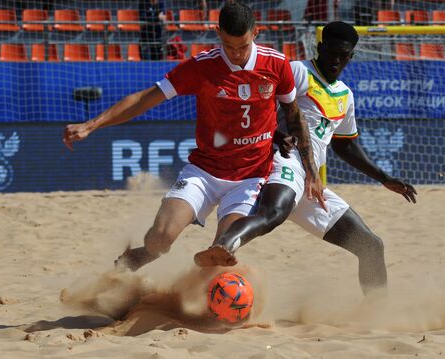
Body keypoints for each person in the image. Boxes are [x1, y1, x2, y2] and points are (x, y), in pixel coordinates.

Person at [63, 1, 324, 272]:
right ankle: (138, 257)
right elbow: (144, 99)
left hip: (250, 176)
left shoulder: (277, 63)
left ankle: (199, 297)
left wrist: (311, 171)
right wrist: (91, 125)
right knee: (159, 239)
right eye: (229, 46)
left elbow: (295, 117)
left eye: (243, 46)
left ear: (255, 33)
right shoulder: (202, 67)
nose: (236, 54)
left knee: (222, 250)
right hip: (204, 171)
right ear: (218, 33)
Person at [194, 21, 417, 295]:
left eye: (343, 55)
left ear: (351, 57)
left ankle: (378, 313)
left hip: (311, 183)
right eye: (331, 52)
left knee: (371, 246)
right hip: (282, 159)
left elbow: (345, 147)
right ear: (320, 47)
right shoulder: (299, 72)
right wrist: (276, 137)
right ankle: (223, 247)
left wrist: (385, 178)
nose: (335, 60)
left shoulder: (345, 96)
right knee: (274, 212)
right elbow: (256, 110)